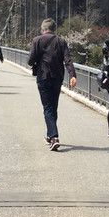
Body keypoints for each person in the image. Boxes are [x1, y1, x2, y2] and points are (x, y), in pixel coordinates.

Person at [27, 18, 76, 150]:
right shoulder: (61, 41)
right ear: (54, 29)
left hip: (43, 76)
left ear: (43, 29)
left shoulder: (37, 40)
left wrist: (37, 60)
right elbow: (68, 60)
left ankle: (54, 137)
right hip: (57, 77)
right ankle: (49, 135)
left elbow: (30, 61)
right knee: (53, 107)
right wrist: (72, 75)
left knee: (48, 108)